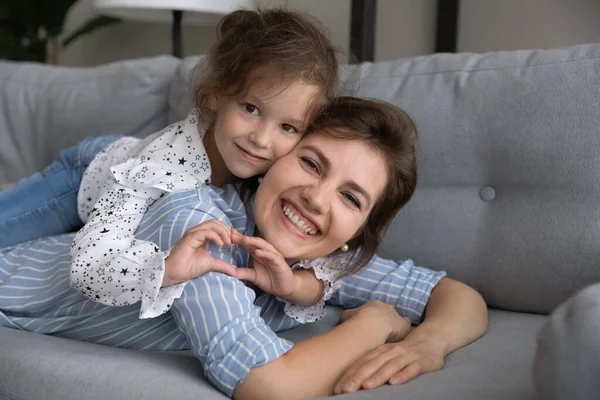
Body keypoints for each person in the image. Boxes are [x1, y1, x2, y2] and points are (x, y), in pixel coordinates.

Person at [0, 97, 488, 399]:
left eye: (350, 197)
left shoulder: (324, 258)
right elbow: (268, 385)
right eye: (312, 164)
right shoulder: (201, 229)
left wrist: (429, 344)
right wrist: (376, 326)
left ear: (358, 231)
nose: (316, 199)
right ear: (273, 160)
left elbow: (458, 297)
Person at [0, 8, 339, 272]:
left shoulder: (277, 175)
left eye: (288, 128)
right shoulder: (166, 164)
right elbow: (92, 258)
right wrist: (159, 271)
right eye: (251, 108)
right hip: (84, 179)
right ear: (216, 96)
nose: (262, 140)